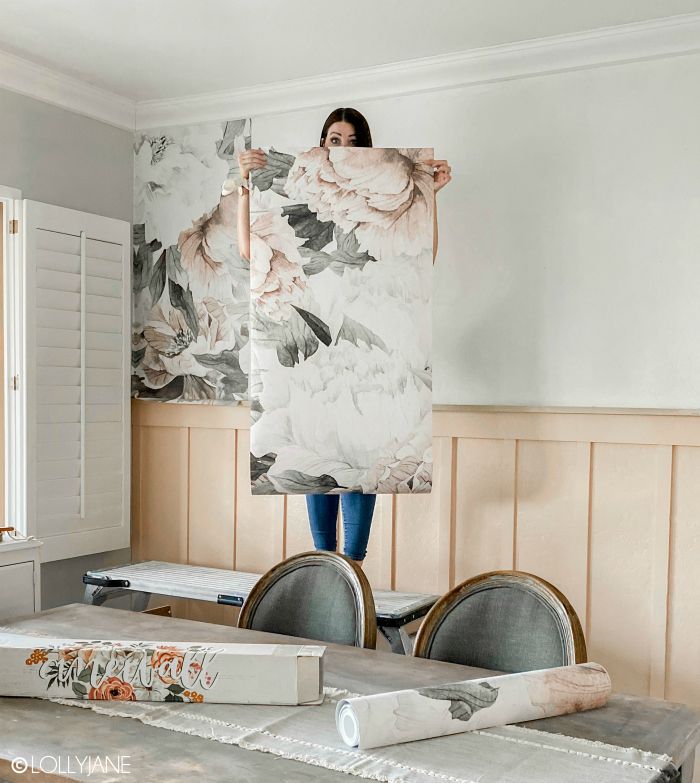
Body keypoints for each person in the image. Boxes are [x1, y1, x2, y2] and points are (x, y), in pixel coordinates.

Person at [237, 107, 451, 566]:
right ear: (322, 143)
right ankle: (325, 567)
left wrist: (430, 196)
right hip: (318, 339)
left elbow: (422, 255)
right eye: (336, 139)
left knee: (366, 456)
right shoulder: (301, 193)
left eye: (355, 141)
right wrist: (246, 188)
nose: (345, 148)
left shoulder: (382, 202)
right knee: (316, 454)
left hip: (371, 336)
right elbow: (248, 248)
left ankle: (353, 572)